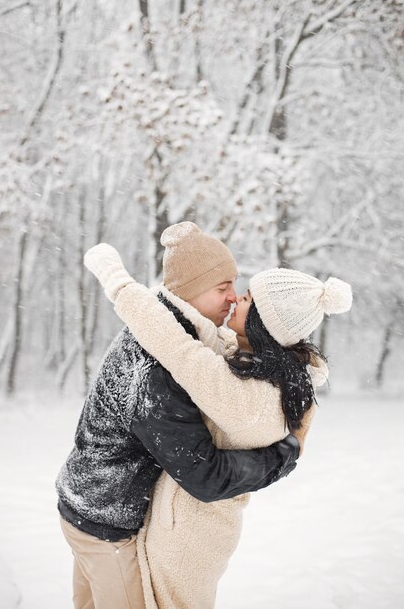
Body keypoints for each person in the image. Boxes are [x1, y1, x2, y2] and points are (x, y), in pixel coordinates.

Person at [83, 225, 352, 609]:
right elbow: (212, 341)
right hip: (194, 527)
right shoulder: (273, 374)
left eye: (243, 298)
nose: (234, 300)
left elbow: (180, 349)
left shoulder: (246, 397)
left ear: (262, 323)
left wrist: (117, 281)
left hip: (187, 537)